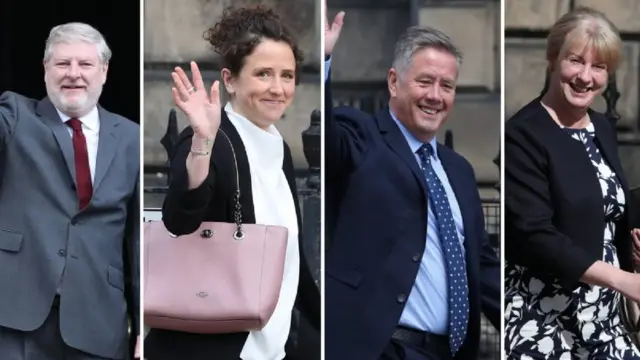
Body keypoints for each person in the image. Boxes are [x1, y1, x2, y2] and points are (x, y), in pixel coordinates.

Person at [323, 3, 501, 360]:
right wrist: (323, 61)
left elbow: (481, 266)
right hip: (378, 348)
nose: (435, 96)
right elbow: (327, 140)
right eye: (425, 81)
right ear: (394, 81)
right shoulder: (361, 135)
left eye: (446, 85)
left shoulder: (460, 170)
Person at [143, 5, 320, 360]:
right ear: (229, 80)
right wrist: (201, 143)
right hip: (210, 346)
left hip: (270, 347)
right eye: (263, 74)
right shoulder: (210, 140)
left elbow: (289, 259)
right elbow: (179, 218)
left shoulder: (279, 149)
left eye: (287, 75)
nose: (278, 88)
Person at [504, 7, 640, 359]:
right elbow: (535, 234)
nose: (585, 77)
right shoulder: (523, 134)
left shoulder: (602, 128)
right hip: (545, 319)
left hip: (604, 318)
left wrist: (630, 247)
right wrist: (622, 279)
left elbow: (602, 209)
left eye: (599, 67)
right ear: (553, 58)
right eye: (575, 61)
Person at [0, 23, 140, 359]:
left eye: (85, 64)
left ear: (104, 71)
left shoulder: (131, 137)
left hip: (97, 324)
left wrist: (143, 325)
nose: (73, 74)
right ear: (46, 69)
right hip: (13, 317)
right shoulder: (15, 116)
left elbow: (136, 243)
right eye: (62, 64)